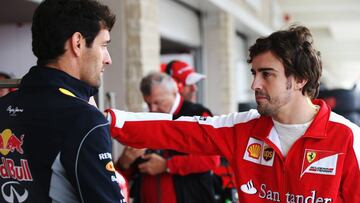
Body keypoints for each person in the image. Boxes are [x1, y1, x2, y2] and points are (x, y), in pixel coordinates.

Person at [106, 25, 360, 202]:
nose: (255, 85)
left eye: (267, 74)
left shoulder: (347, 138)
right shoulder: (242, 128)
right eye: (254, 73)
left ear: (300, 79)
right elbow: (176, 129)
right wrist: (106, 121)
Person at [0, 0, 126, 202]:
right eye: (103, 46)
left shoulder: (4, 107)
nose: (108, 59)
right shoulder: (84, 120)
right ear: (77, 43)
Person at [116, 72, 220, 203]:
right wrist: (124, 163)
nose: (152, 109)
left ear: (174, 92)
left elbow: (212, 159)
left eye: (157, 102)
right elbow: (123, 174)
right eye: (148, 104)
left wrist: (167, 165)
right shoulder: (146, 119)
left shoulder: (197, 114)